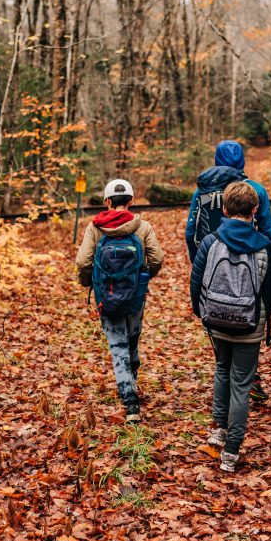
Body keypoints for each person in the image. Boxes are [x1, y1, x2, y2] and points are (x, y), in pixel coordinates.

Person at [190, 181, 271, 472]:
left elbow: (196, 279)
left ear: (225, 210)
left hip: (216, 319)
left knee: (222, 369)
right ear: (255, 210)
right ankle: (231, 452)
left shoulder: (212, 242)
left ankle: (218, 429)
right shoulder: (265, 247)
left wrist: (202, 314)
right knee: (242, 383)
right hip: (250, 324)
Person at [185, 139, 271, 402]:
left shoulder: (201, 192)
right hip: (251, 266)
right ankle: (250, 377)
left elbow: (191, 232)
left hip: (212, 266)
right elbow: (268, 231)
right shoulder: (256, 190)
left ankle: (225, 368)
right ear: (242, 160)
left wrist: (198, 261)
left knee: (218, 313)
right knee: (248, 314)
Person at [75, 179, 164, 423]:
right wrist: (143, 279)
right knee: (132, 338)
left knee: (118, 346)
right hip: (135, 295)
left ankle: (130, 402)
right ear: (131, 201)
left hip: (107, 295)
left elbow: (83, 262)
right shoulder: (142, 227)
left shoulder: (95, 228)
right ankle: (132, 379)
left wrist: (89, 283)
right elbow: (157, 259)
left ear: (106, 202)